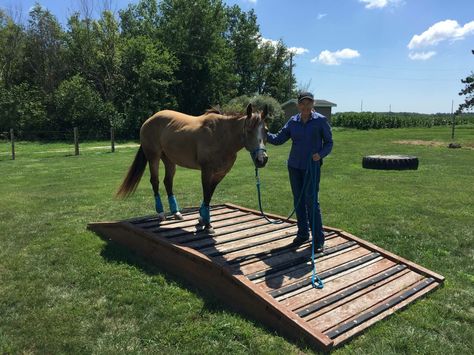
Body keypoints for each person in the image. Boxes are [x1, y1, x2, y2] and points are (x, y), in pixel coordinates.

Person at [266, 92, 333, 251]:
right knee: (298, 201)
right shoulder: (293, 122)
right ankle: (303, 234)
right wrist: (263, 132)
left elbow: (329, 143)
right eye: (303, 103)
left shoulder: (320, 121)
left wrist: (320, 154)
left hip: (312, 167)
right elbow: (278, 139)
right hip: (294, 167)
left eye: (308, 103)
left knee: (312, 202)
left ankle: (318, 240)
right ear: (298, 105)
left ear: (313, 104)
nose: (305, 106)